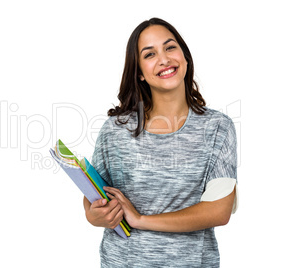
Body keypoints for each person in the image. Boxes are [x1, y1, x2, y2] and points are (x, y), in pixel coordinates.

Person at [83, 17, 238, 268]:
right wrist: (95, 215)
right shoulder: (115, 130)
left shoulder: (217, 128)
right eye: (149, 54)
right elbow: (95, 193)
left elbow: (218, 211)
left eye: (170, 47)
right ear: (140, 73)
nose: (164, 59)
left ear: (185, 57)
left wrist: (140, 219)